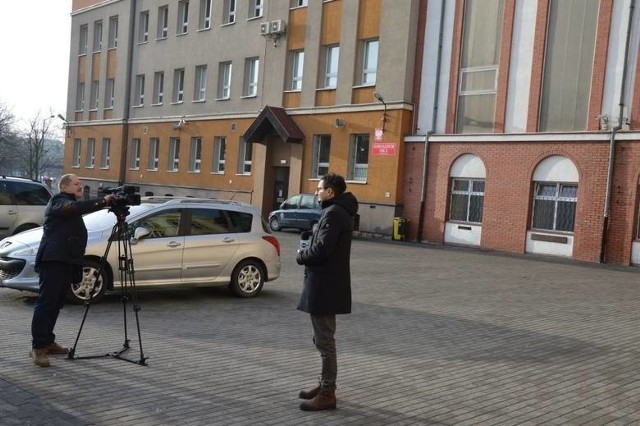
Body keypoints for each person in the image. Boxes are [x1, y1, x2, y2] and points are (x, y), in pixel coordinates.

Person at [29, 174, 116, 367]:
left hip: (66, 261)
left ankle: (48, 341)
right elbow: (73, 208)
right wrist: (103, 200)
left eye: (80, 184)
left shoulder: (70, 204)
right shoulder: (59, 201)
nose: (80, 187)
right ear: (64, 186)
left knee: (56, 303)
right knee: (46, 303)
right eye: (76, 184)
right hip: (53, 261)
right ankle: (38, 348)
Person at [295, 173, 358, 411]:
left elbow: (322, 250)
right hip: (326, 285)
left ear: (330, 192)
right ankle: (324, 384)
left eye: (319, 188)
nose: (316, 192)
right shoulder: (335, 212)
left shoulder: (333, 214)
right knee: (323, 338)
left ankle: (328, 393)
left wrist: (301, 256)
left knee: (325, 340)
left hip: (325, 286)